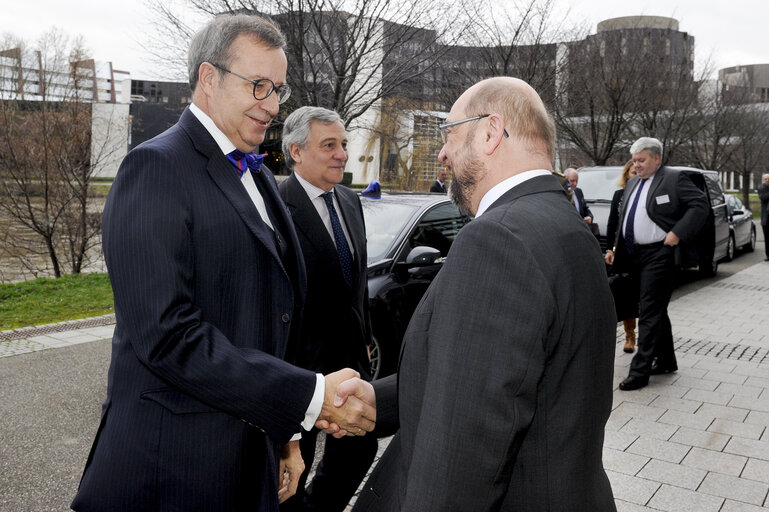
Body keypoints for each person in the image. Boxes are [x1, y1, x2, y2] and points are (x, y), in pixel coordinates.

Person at [71, 14, 375, 512]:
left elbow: (272, 322)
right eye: (258, 85)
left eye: (278, 89)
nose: (273, 106)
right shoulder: (155, 168)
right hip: (169, 472)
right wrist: (310, 394)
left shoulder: (258, 176)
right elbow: (167, 335)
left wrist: (286, 437)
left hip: (245, 460)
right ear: (208, 78)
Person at [334, 76, 617, 511]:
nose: (443, 153)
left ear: (489, 132)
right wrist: (382, 400)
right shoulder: (565, 226)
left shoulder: (497, 240)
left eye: (450, 135)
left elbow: (462, 452)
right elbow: (501, 378)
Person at [278, 106, 378, 512]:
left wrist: (366, 346)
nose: (342, 154)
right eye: (330, 145)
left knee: (357, 454)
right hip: (301, 377)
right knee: (290, 476)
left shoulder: (350, 203)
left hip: (351, 371)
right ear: (296, 151)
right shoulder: (275, 208)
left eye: (343, 145)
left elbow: (356, 286)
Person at [605, 137, 709, 391]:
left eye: (641, 160)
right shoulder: (632, 184)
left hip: (660, 255)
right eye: (634, 161)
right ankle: (666, 360)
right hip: (633, 255)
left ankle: (639, 372)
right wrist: (616, 249)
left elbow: (699, 204)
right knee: (654, 308)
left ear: (657, 158)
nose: (636, 165)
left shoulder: (673, 179)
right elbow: (623, 221)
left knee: (649, 312)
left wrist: (677, 232)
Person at [606, 159, 638, 353]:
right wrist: (610, 249)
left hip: (642, 253)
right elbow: (612, 224)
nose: (635, 176)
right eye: (632, 173)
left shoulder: (645, 195)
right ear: (627, 175)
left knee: (641, 296)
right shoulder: (619, 195)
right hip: (623, 254)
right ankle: (630, 335)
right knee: (626, 295)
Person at [758, 173, 769, 261]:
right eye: (766, 179)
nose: (768, 180)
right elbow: (763, 198)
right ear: (763, 180)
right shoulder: (761, 188)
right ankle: (768, 255)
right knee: (767, 237)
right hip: (766, 218)